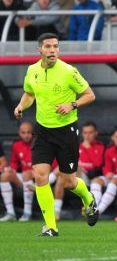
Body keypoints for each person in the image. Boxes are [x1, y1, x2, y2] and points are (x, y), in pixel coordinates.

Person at [13, 32, 98, 236]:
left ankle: (88, 199)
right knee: (40, 177)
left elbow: (90, 95)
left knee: (68, 182)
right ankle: (51, 226)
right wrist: (20, 106)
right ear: (40, 50)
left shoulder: (68, 71)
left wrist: (73, 104)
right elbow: (30, 93)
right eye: (48, 47)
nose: (53, 50)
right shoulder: (32, 70)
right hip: (43, 131)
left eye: (56, 46)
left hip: (66, 131)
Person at [53, 121, 105, 220]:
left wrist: (87, 148)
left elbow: (98, 164)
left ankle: (49, 179)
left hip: (93, 177)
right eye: (85, 133)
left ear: (95, 133)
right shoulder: (77, 146)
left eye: (90, 132)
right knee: (61, 177)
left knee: (75, 165)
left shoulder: (100, 146)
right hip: (79, 176)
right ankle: (56, 211)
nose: (87, 135)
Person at [0, 122, 35, 222]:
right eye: (23, 132)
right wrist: (12, 170)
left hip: (38, 177)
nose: (26, 135)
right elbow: (14, 163)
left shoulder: (39, 144)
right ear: (19, 133)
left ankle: (27, 213)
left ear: (33, 133)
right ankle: (11, 213)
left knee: (27, 173)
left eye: (29, 132)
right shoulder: (16, 145)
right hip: (24, 177)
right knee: (5, 176)